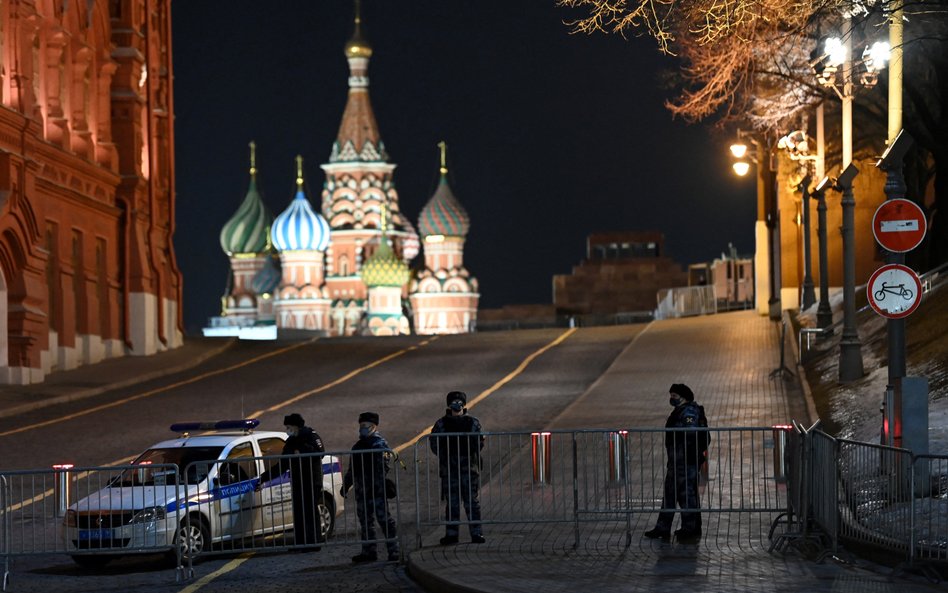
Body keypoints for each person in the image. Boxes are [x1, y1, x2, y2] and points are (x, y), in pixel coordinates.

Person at [644, 383, 710, 542]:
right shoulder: (679, 410)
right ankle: (663, 527)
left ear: (683, 397)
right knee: (669, 495)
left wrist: (686, 456)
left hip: (686, 462)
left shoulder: (690, 412)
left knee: (686, 495)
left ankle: (689, 528)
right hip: (676, 462)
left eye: (674, 396)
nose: (671, 398)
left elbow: (691, 435)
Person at [257, 413, 325, 548]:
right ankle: (301, 543)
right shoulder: (290, 441)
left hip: (311, 481)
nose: (287, 430)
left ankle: (314, 542)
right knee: (299, 513)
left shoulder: (311, 436)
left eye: (288, 427)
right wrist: (264, 477)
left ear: (295, 426)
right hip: (298, 481)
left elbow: (320, 452)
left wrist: (301, 451)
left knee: (310, 512)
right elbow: (283, 464)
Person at [341, 412, 399, 563]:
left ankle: (394, 551)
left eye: (364, 426)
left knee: (384, 520)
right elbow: (352, 469)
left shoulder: (380, 444)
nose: (362, 429)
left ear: (373, 427)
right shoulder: (358, 446)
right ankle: (368, 552)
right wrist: (346, 485)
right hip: (362, 491)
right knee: (366, 522)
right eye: (361, 426)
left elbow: (384, 467)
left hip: (376, 489)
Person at [430, 391, 485, 544]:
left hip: (468, 469)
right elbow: (435, 445)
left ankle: (476, 533)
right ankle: (452, 535)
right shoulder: (441, 424)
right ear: (449, 404)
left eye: (459, 401)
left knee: (471, 502)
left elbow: (478, 443)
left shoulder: (472, 422)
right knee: (452, 503)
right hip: (450, 469)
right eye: (454, 401)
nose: (457, 404)